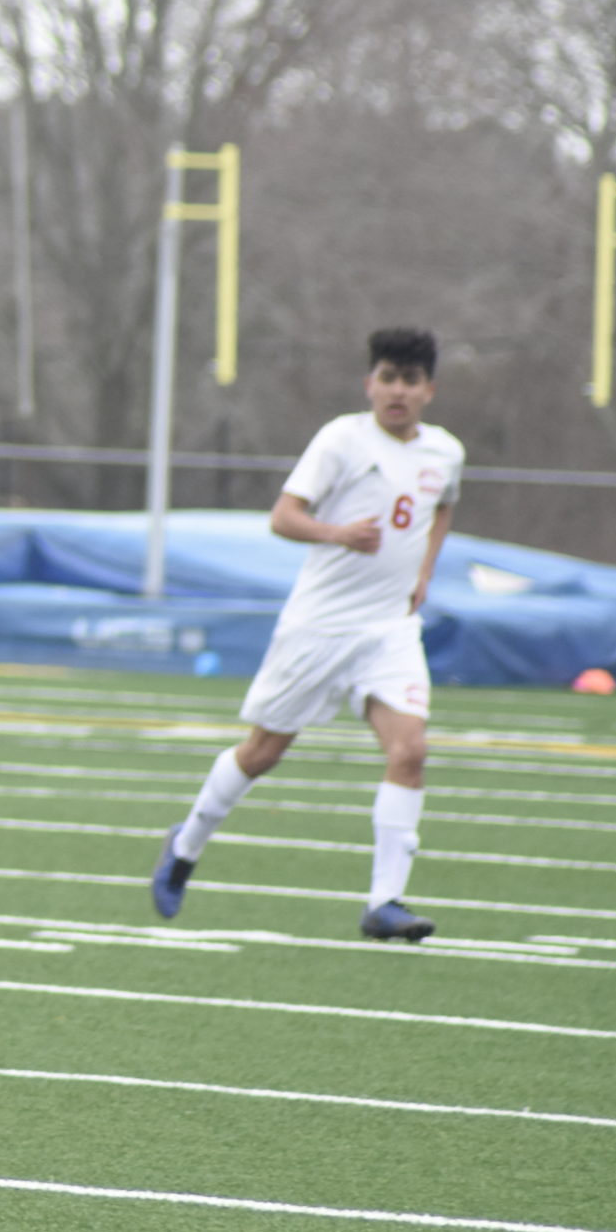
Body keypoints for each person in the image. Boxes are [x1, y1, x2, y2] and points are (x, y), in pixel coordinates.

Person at [152, 328, 465, 941]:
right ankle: (186, 845)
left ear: (429, 390)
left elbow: (444, 505)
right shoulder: (341, 439)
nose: (396, 391)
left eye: (409, 380)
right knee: (262, 754)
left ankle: (384, 904)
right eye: (386, 377)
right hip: (319, 628)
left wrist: (425, 569)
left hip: (389, 630)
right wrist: (336, 533)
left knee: (410, 752)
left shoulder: (445, 452)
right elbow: (283, 516)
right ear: (369, 383)